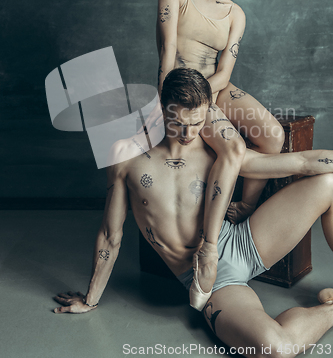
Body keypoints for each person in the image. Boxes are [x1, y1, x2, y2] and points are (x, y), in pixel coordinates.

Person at [54, 69, 333, 356]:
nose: (188, 134)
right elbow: (110, 235)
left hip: (245, 240)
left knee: (330, 182)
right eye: (178, 123)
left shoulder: (216, 153)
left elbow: (301, 163)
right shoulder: (126, 158)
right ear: (162, 109)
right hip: (211, 279)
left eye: (197, 122)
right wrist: (90, 299)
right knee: (276, 348)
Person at [155, 0, 285, 300]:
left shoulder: (235, 14)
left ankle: (244, 206)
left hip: (213, 86)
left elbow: (224, 72)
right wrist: (171, 102)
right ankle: (209, 250)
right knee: (233, 147)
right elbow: (167, 51)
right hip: (179, 85)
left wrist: (206, 95)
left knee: (274, 135)